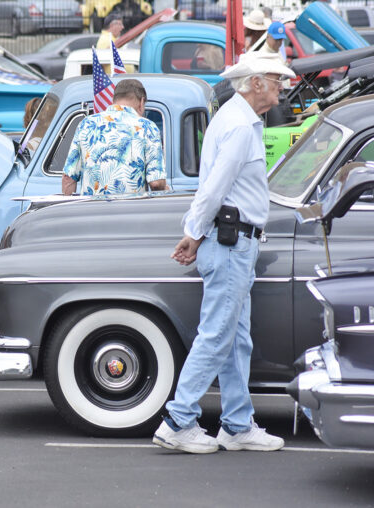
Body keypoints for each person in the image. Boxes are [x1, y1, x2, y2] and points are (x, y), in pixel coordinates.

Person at [152, 52, 295, 454]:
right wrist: (193, 232)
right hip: (232, 241)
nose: (281, 87)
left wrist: (197, 233)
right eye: (275, 79)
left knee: (234, 339)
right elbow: (213, 188)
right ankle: (179, 420)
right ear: (255, 83)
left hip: (232, 240)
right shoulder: (238, 125)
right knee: (219, 335)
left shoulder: (236, 119)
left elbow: (214, 187)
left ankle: (236, 423)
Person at [62, 79, 166, 196]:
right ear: (141, 102)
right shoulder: (148, 127)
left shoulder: (86, 124)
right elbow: (156, 183)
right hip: (132, 211)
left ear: (113, 100)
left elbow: (68, 178)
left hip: (90, 211)